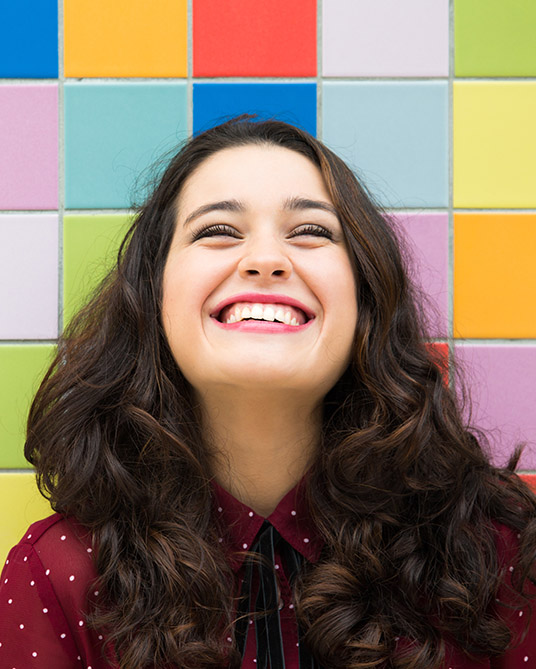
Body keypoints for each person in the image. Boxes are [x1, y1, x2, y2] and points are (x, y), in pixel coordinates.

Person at [0, 116, 535, 669]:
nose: (265, 260)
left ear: (366, 299)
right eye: (218, 232)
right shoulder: (55, 576)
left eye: (311, 231)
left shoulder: (498, 556)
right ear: (154, 297)